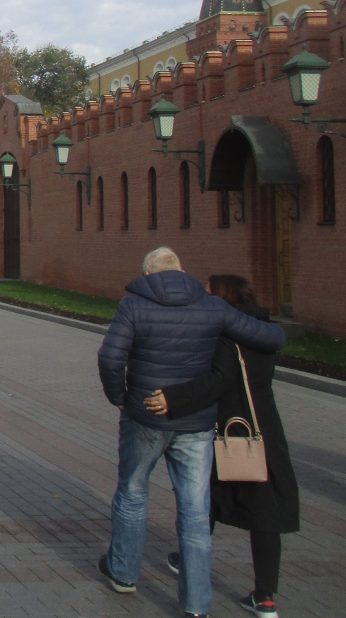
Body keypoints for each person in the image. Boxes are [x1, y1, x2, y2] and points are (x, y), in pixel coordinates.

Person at [96, 247, 287, 618]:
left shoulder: (133, 305)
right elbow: (271, 337)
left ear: (148, 275)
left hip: (144, 418)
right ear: (181, 271)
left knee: (133, 492)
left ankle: (123, 573)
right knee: (196, 510)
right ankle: (196, 604)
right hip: (196, 423)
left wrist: (119, 397)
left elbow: (110, 357)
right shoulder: (212, 307)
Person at [144, 275, 299, 618]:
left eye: (210, 292)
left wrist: (173, 398)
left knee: (206, 497)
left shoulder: (228, 336)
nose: (205, 297)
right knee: (260, 511)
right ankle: (264, 596)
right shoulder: (262, 330)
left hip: (231, 429)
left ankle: (191, 560)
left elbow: (218, 381)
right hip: (264, 429)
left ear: (223, 298)